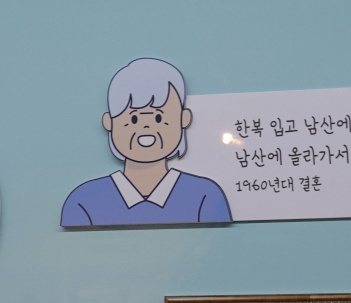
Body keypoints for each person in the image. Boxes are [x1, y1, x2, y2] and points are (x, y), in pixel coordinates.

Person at [61, 58, 232, 227]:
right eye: (133, 119)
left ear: (183, 119)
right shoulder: (83, 201)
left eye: (158, 117)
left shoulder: (205, 196)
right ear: (109, 122)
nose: (146, 126)